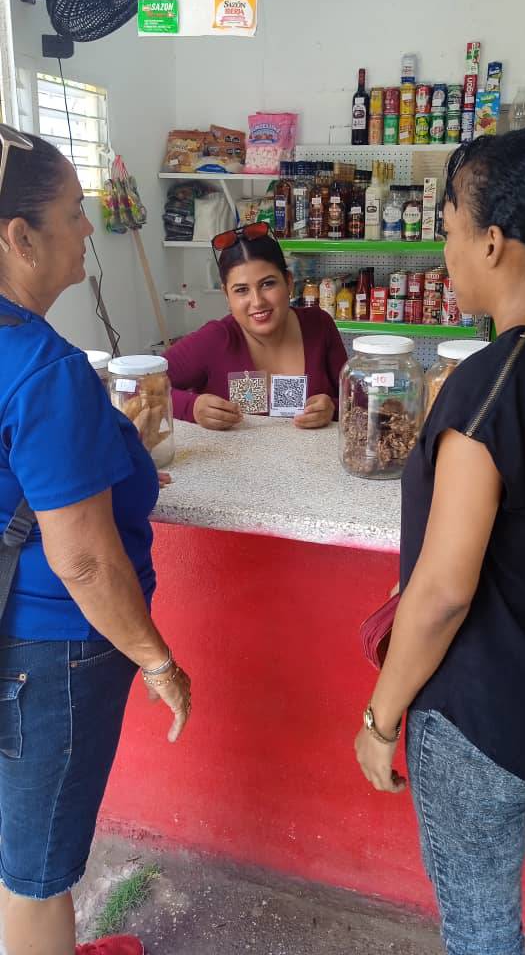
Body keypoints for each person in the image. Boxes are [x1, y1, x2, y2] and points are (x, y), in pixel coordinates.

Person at [354, 128, 525, 955]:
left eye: (448, 228)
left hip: (478, 720)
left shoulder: (493, 384)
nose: (444, 251)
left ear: (492, 240)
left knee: (480, 931)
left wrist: (379, 722)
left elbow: (443, 591)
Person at [0, 125, 191, 955]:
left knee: (20, 834)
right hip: (51, 649)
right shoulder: (43, 366)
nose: (89, 230)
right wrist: (157, 659)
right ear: (20, 237)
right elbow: (82, 555)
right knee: (38, 872)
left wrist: (110, 446)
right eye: (75, 214)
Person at [166, 224, 347, 430]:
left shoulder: (319, 325)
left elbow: (357, 401)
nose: (257, 301)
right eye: (241, 290)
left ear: (288, 282)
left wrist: (332, 408)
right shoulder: (215, 338)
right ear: (227, 295)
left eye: (268, 284)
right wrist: (192, 407)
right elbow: (135, 385)